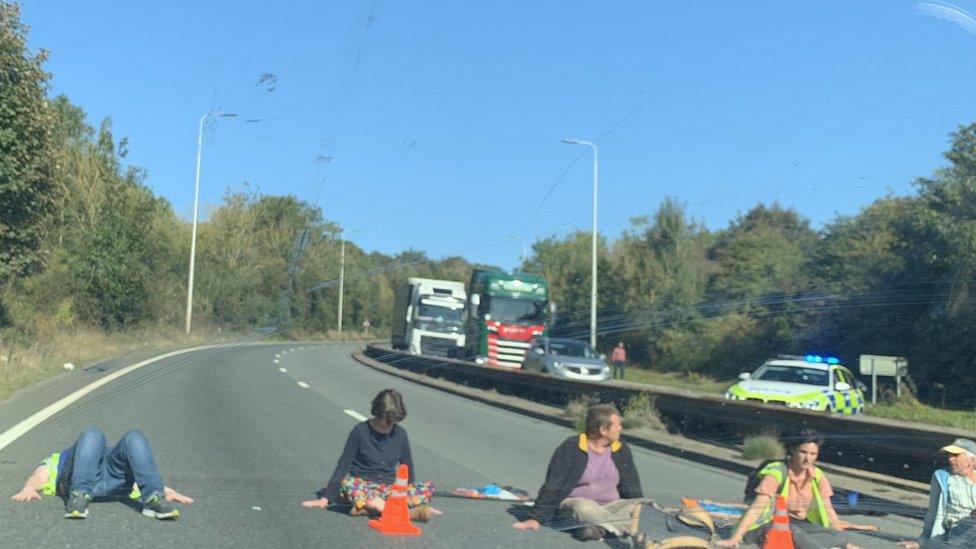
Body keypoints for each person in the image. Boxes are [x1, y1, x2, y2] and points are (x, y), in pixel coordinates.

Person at [301, 389, 440, 521]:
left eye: (393, 421)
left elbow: (407, 469)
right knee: (347, 483)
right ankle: (403, 514)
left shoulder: (401, 434)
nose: (389, 424)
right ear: (377, 413)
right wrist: (325, 498)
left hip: (388, 488)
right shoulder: (360, 431)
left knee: (428, 487)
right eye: (386, 420)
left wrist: (410, 494)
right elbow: (343, 465)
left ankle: (373, 509)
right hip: (361, 485)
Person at [512, 404, 644, 541]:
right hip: (576, 505)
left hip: (612, 506)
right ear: (603, 430)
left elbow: (632, 484)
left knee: (645, 507)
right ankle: (630, 531)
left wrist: (640, 506)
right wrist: (536, 519)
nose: (621, 429)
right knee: (584, 508)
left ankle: (599, 530)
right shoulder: (571, 448)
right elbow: (553, 484)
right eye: (618, 425)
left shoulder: (621, 449)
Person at [716, 429, 862, 549]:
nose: (808, 459)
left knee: (836, 535)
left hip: (800, 524)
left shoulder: (817, 475)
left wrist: (844, 542)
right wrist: (735, 538)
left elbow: (828, 510)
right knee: (795, 532)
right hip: (767, 524)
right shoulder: (777, 473)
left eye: (813, 454)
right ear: (792, 450)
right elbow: (756, 508)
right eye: (803, 452)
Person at [10, 426, 193, 519]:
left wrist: (163, 490)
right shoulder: (62, 458)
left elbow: (140, 474)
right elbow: (41, 474)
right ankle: (79, 494)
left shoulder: (112, 457)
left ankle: (154, 498)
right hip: (77, 481)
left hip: (116, 482)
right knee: (93, 433)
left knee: (134, 437)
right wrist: (29, 488)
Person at [898, 438, 976, 549]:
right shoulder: (943, 477)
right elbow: (933, 511)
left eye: (956, 455)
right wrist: (923, 541)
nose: (951, 459)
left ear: (972, 459)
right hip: (955, 536)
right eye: (949, 455)